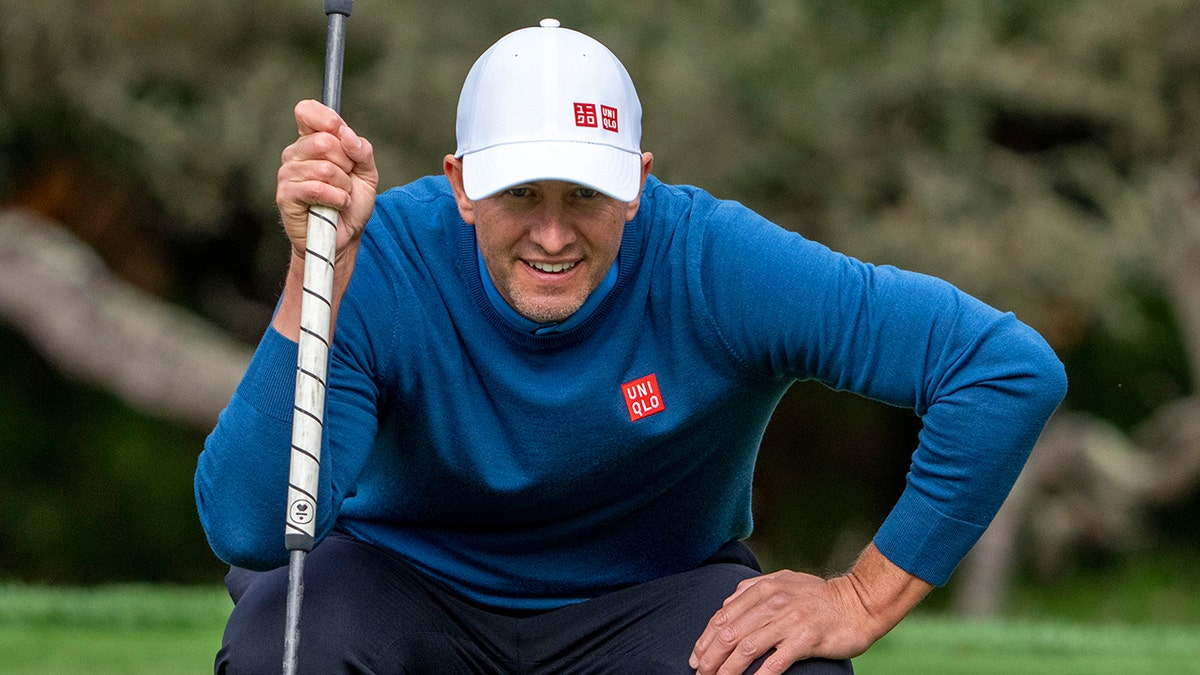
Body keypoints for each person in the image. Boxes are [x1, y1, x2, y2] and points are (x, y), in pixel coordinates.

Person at [196, 18, 1067, 674]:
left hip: (654, 597)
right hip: (405, 582)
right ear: (461, 185)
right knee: (286, 633)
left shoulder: (715, 263)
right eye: (519, 192)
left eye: (583, 193)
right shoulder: (372, 252)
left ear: (638, 186)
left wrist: (861, 595)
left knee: (791, 666)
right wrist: (318, 272)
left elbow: (1001, 369)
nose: (550, 231)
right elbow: (248, 525)